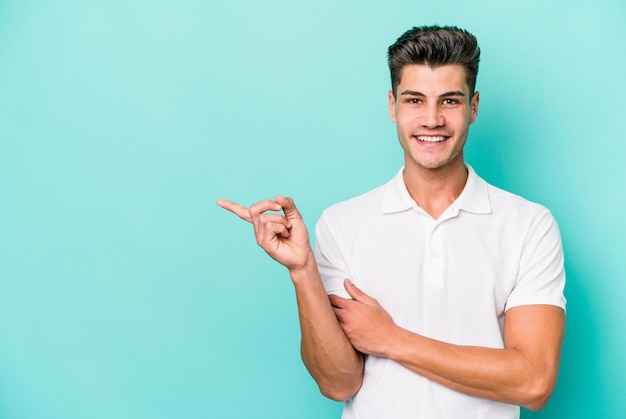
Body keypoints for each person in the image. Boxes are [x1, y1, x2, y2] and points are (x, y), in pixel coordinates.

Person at [217, 25, 566, 419]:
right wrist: (302, 271)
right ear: (392, 106)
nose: (432, 119)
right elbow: (338, 382)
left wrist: (392, 340)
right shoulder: (342, 223)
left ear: (474, 106)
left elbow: (533, 383)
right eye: (415, 100)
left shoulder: (528, 225)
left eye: (449, 101)